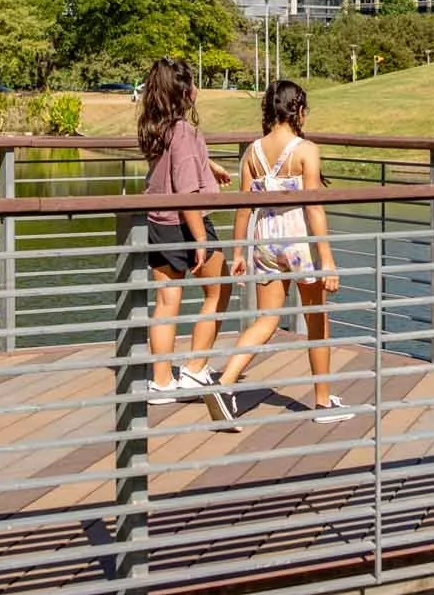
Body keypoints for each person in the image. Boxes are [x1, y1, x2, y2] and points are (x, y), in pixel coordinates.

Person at [208, 79, 345, 430]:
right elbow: (313, 207)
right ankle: (322, 401)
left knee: (267, 319)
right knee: (317, 321)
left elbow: (242, 208)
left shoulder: (252, 151)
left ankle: (224, 384)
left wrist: (238, 251)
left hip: (263, 238)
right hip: (297, 239)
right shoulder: (305, 150)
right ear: (297, 109)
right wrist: (327, 259)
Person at [137, 57, 231, 399]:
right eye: (194, 84)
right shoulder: (185, 131)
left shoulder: (154, 127)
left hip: (157, 220)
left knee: (166, 302)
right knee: (219, 290)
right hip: (187, 223)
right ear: (185, 92)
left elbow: (174, 165)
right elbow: (187, 191)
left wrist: (209, 164)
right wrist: (202, 239)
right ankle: (194, 369)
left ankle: (161, 381)